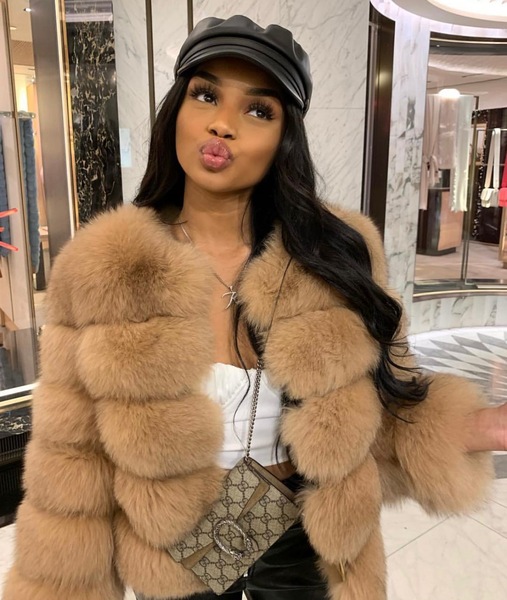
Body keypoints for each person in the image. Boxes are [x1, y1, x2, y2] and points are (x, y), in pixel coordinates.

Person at [3, 15, 506, 600]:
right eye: (206, 95)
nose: (223, 123)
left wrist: (479, 427)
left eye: (259, 109)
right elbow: (72, 461)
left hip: (307, 526)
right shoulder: (102, 268)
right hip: (173, 539)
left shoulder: (336, 253)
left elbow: (385, 407)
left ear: (284, 139)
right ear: (177, 110)